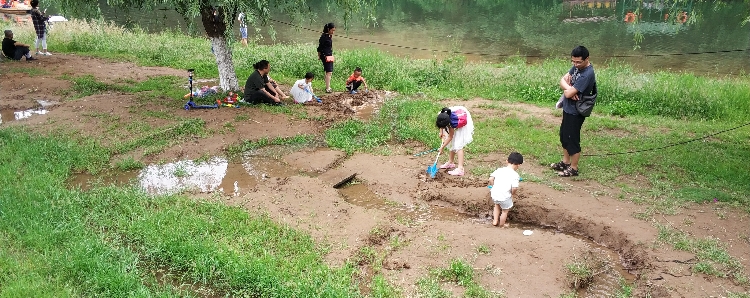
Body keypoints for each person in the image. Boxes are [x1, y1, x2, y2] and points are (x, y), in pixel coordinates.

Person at [550, 45, 596, 177]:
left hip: (576, 111)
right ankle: (565, 162)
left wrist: (568, 91)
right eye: (573, 61)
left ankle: (574, 168)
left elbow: (569, 94)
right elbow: (562, 81)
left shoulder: (586, 74)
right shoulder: (577, 67)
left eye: (578, 62)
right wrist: (569, 88)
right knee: (564, 135)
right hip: (568, 108)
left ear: (587, 59)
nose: (575, 64)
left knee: (572, 139)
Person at [436, 106, 474, 176]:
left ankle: (460, 169)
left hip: (462, 119)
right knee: (452, 143)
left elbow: (450, 137)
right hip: (456, 114)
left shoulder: (452, 124)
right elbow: (440, 124)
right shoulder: (441, 115)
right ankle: (451, 162)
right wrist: (441, 132)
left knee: (458, 145)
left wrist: (442, 147)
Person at [489, 152, 523, 228]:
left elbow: (490, 179)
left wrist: (493, 185)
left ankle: (495, 221)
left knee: (496, 205)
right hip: (504, 197)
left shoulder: (499, 170)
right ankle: (502, 224)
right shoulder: (515, 175)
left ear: (507, 161)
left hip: (494, 194)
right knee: (505, 211)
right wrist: (512, 193)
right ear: (519, 165)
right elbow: (514, 188)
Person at [316, 22, 335, 93]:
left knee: (328, 72)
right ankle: (328, 88)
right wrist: (319, 56)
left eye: (334, 30)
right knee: (329, 72)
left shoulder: (328, 36)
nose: (333, 32)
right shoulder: (324, 37)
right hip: (326, 56)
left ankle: (327, 86)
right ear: (328, 29)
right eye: (332, 30)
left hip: (329, 55)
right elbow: (319, 48)